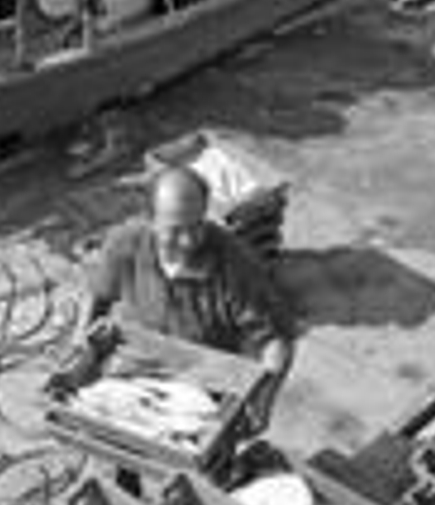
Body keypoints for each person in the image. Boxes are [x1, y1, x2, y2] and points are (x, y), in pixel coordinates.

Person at [86, 165, 296, 433]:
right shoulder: (124, 243)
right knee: (126, 438)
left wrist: (262, 404)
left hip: (208, 382)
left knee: (204, 451)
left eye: (197, 226)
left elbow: (277, 342)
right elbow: (99, 295)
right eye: (175, 230)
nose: (187, 241)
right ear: (150, 219)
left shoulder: (237, 265)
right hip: (137, 368)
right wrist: (85, 343)